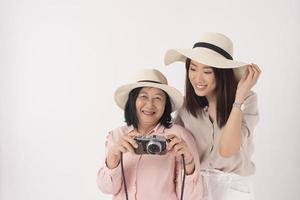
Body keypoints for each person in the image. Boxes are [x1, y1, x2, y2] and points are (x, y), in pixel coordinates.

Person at [164, 32, 261, 200]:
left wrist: (238, 99)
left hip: (232, 189)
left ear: (222, 73)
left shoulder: (247, 99)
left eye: (207, 71)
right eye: (193, 69)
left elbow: (227, 149)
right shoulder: (186, 106)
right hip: (194, 187)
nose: (197, 78)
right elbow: (171, 146)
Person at [97, 69, 204, 200]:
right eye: (143, 96)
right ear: (133, 100)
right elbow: (107, 188)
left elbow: (192, 197)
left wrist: (189, 162)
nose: (150, 105)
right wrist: (113, 157)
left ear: (166, 105)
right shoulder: (117, 135)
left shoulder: (179, 137)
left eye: (158, 98)